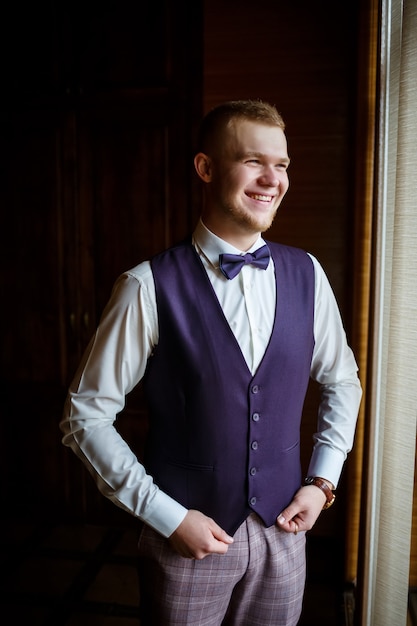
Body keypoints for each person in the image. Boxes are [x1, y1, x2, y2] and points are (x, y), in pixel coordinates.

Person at [60, 99, 362, 626]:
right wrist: (166, 516)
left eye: (283, 165)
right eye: (253, 161)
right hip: (185, 542)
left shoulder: (308, 274)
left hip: (285, 535)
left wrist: (323, 482)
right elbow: (85, 416)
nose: (273, 179)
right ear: (205, 168)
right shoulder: (146, 286)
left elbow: (343, 382)